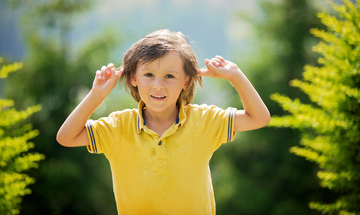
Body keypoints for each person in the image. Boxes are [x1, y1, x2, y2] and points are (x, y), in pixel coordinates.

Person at [57, 29, 270, 215]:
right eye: (148, 74)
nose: (158, 86)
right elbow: (66, 137)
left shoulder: (205, 121)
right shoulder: (117, 127)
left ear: (185, 82)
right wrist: (96, 96)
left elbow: (259, 118)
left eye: (169, 76)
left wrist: (235, 76)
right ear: (133, 78)